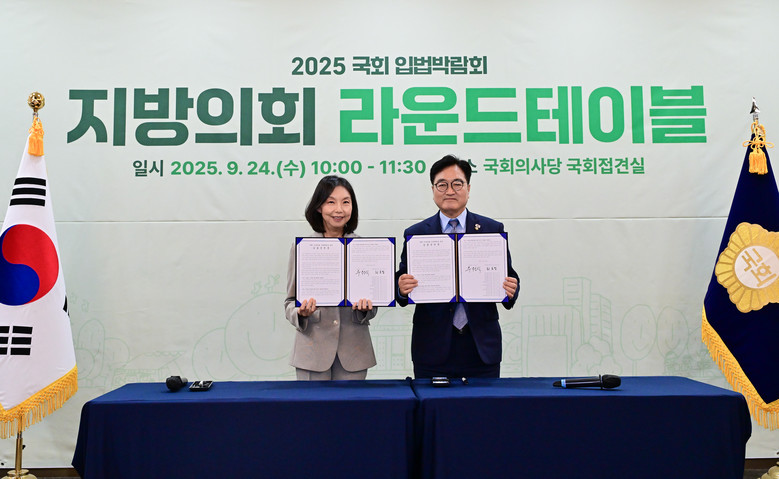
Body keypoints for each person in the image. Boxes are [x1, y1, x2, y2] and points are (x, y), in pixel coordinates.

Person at [396, 155, 520, 379]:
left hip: (481, 348)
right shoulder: (417, 234)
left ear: (468, 188)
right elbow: (401, 284)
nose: (450, 191)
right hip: (431, 348)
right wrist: (401, 288)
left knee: (484, 403)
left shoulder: (491, 229)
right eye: (442, 185)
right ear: (433, 190)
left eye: (457, 184)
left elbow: (509, 277)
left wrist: (512, 288)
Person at [284, 175, 377, 380]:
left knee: (352, 403)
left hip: (354, 352)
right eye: (331, 202)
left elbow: (373, 305)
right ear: (319, 207)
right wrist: (300, 312)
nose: (339, 209)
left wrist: (365, 309)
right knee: (312, 403)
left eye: (346, 202)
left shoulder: (365, 248)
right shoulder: (302, 248)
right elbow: (289, 302)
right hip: (311, 351)